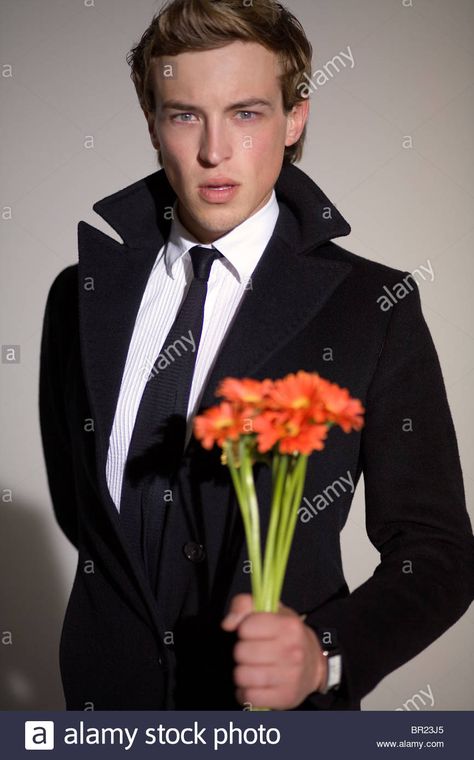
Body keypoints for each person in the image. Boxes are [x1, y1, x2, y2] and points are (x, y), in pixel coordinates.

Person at [39, 0, 473, 711]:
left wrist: (324, 653)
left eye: (245, 113)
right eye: (184, 115)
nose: (214, 151)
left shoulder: (374, 307)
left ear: (294, 118)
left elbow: (439, 553)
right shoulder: (81, 296)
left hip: (280, 728)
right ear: (152, 121)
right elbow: (86, 519)